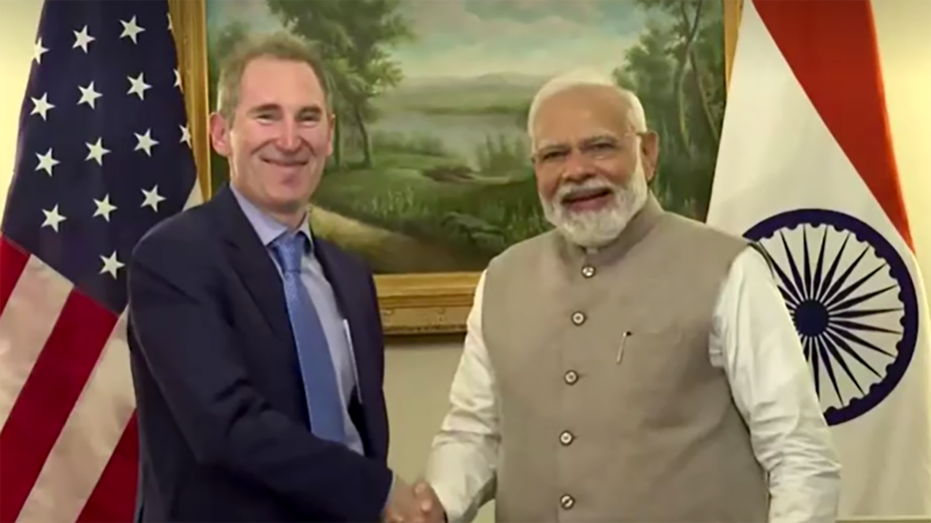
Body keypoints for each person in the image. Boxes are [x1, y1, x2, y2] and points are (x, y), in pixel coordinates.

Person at [415, 70, 843, 523]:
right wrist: (436, 507)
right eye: (554, 155)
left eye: (600, 147)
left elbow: (798, 454)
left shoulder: (731, 269)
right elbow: (475, 432)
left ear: (647, 152)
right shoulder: (501, 279)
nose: (576, 171)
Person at [127, 32, 426, 522]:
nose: (290, 141)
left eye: (307, 118)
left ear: (329, 134)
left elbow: (359, 433)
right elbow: (227, 427)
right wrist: (382, 491)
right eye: (267, 116)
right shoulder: (173, 258)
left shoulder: (351, 277)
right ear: (221, 134)